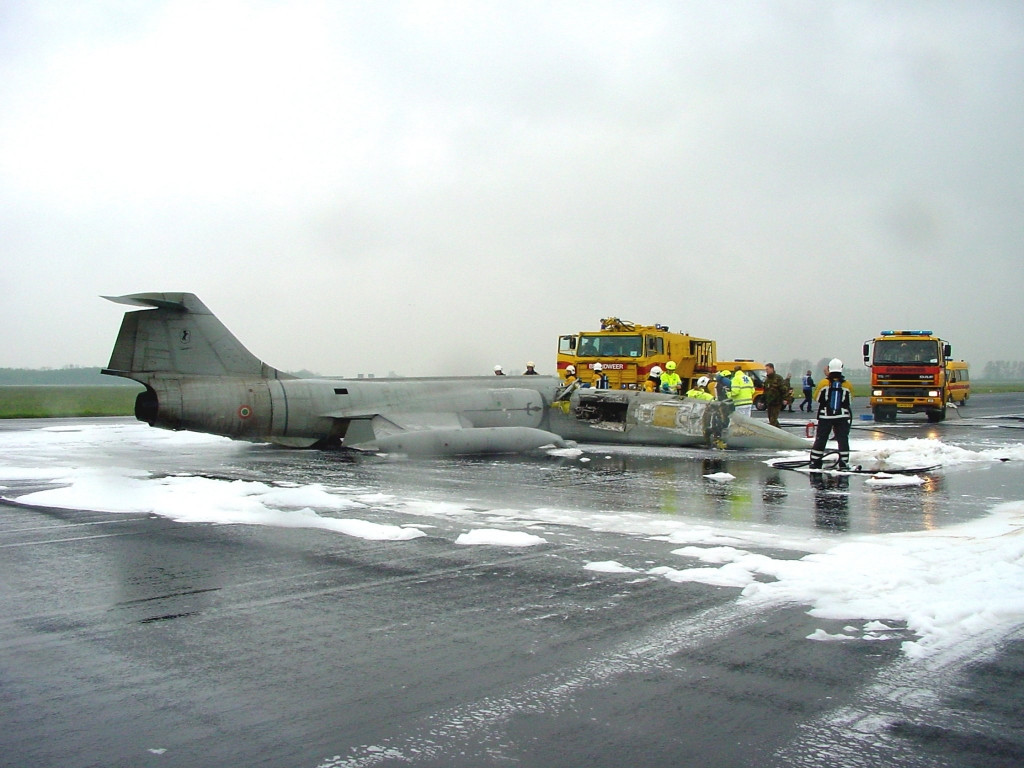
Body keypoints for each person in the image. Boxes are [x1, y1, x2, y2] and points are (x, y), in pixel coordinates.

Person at [809, 358, 854, 471]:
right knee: (843, 439)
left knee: (821, 439)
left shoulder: (824, 383)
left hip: (825, 416)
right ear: (841, 369)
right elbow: (850, 400)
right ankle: (844, 462)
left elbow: (817, 398)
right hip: (842, 416)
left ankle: (815, 461)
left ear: (829, 368)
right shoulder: (847, 384)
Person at [762, 362, 786, 427]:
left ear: (772, 369)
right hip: (769, 402)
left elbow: (784, 389)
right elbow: (765, 390)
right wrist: (763, 400)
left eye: (767, 369)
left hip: (777, 402)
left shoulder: (778, 378)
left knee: (773, 420)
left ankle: (778, 433)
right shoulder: (767, 379)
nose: (766, 371)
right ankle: (778, 430)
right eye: (766, 369)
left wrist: (785, 399)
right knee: (771, 419)